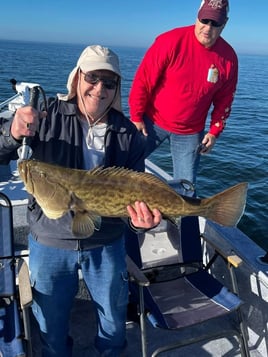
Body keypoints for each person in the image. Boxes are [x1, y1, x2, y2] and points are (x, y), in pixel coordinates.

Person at [0, 45, 161, 356]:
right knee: (50, 326)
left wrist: (142, 224)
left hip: (107, 242)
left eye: (109, 82)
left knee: (114, 325)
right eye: (92, 77)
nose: (99, 88)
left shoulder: (128, 134)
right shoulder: (46, 115)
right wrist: (13, 131)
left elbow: (137, 196)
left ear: (117, 88)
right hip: (50, 241)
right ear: (76, 78)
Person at [129, 0, 238, 190]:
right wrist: (136, 116)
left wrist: (214, 131)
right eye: (204, 20)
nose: (207, 28)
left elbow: (225, 100)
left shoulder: (229, 59)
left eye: (215, 23)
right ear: (197, 16)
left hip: (190, 133)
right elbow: (143, 80)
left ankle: (184, 220)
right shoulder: (169, 41)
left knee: (187, 187)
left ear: (225, 24)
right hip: (151, 122)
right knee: (123, 165)